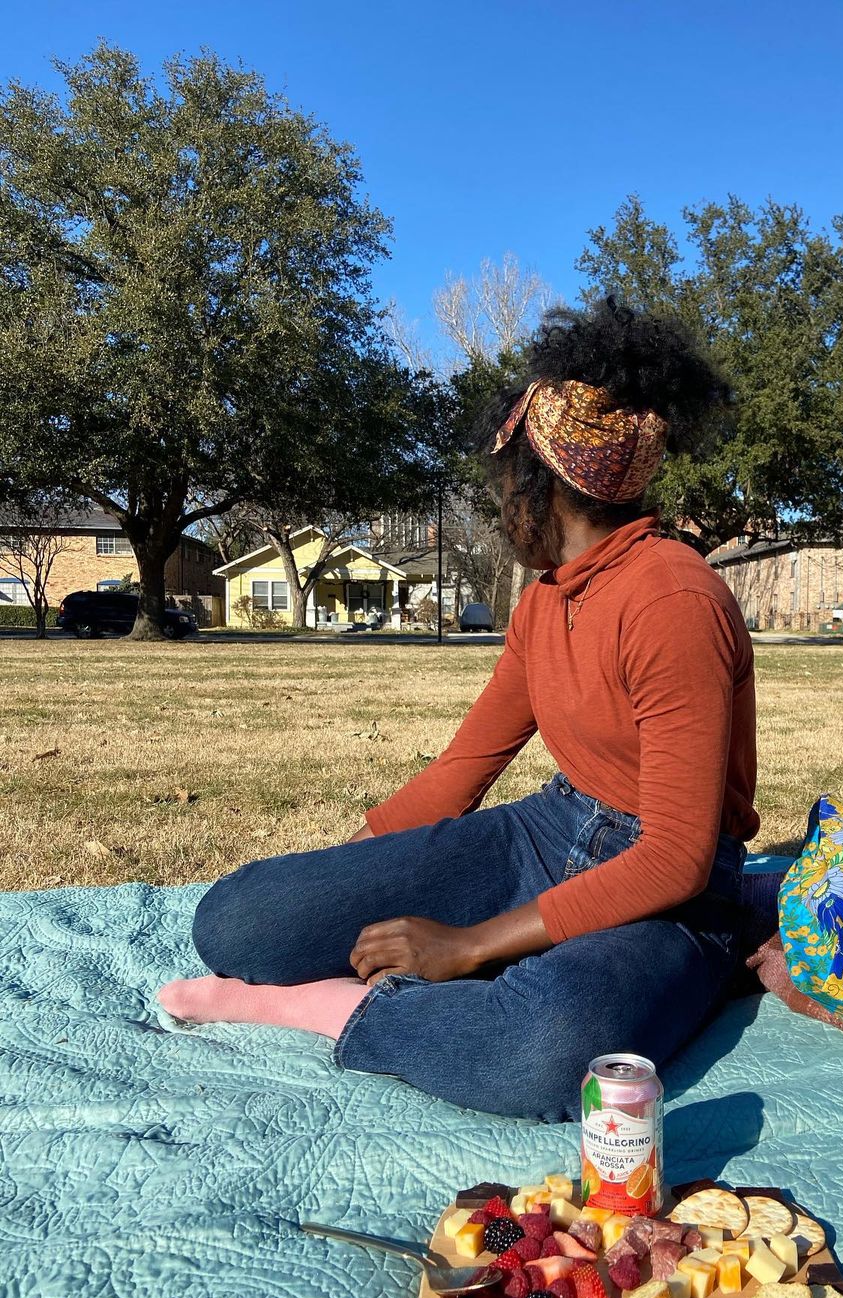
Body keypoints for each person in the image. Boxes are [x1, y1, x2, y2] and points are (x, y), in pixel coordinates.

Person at [157, 299, 760, 1121]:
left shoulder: (673, 601)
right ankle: (470, 981)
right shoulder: (547, 600)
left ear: (537, 484)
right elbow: (465, 768)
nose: (498, 506)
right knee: (239, 923)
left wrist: (468, 944)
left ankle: (341, 1011)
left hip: (672, 893)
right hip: (550, 832)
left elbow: (675, 860)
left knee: (542, 1048)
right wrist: (344, 877)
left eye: (501, 483)